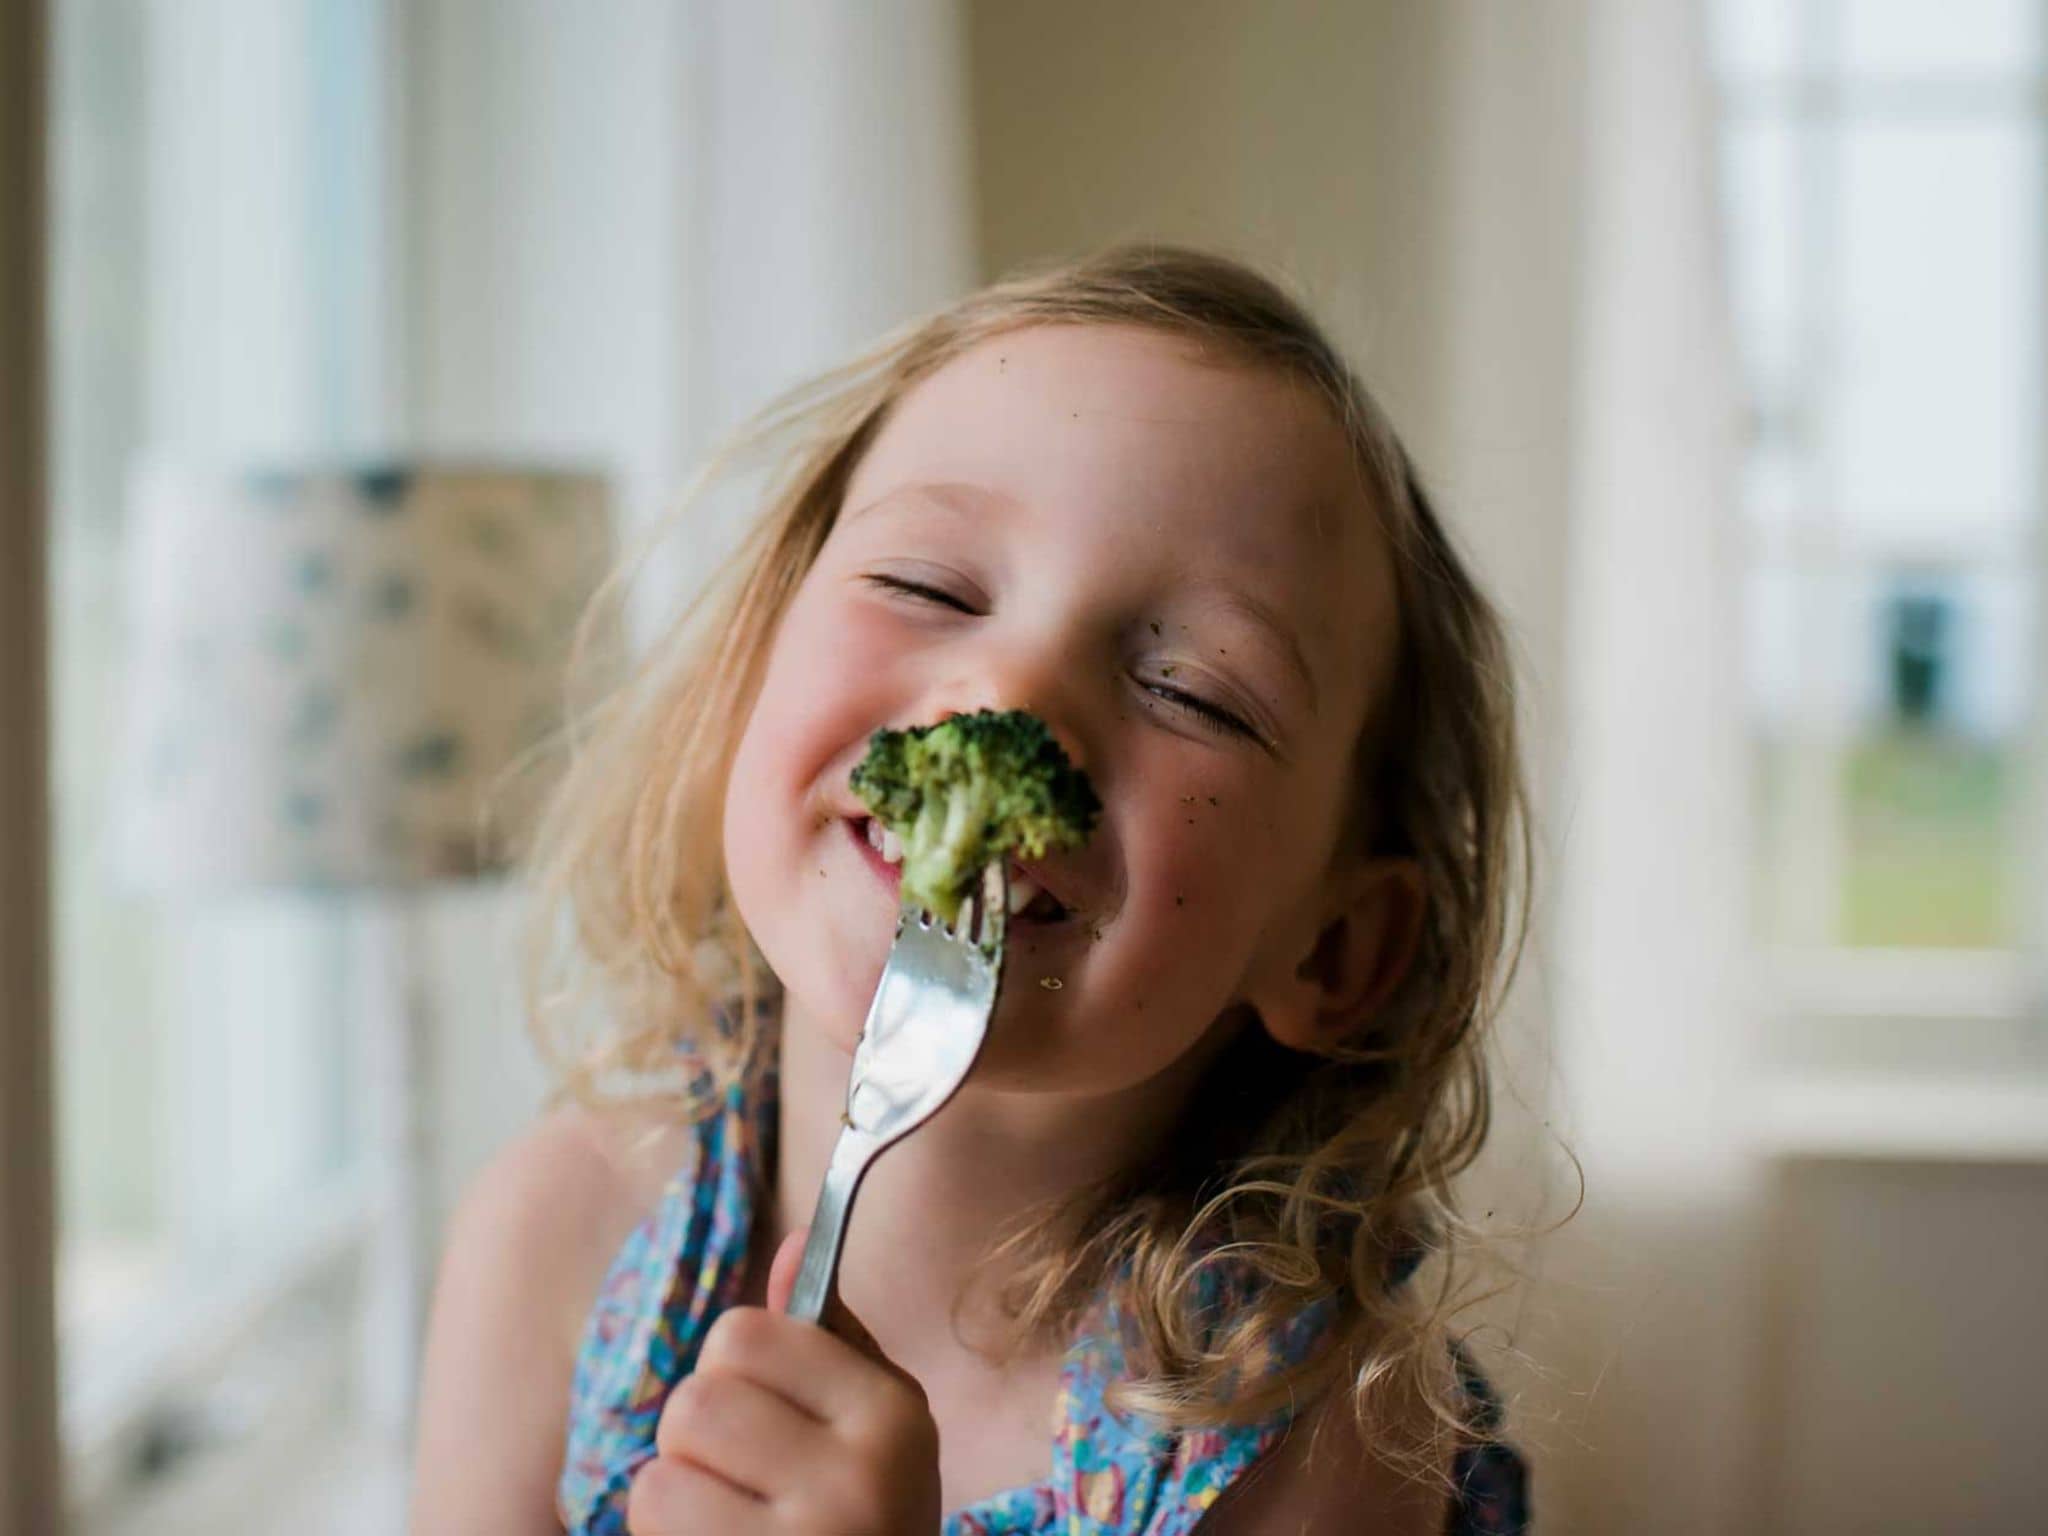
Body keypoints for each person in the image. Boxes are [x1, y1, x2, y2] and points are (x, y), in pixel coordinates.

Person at [410, 245, 1534, 1534]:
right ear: (747, 671)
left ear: (1336, 947)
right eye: (925, 586)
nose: (1013, 698)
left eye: (1193, 690)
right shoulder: (556, 1239)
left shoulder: (1322, 1434)